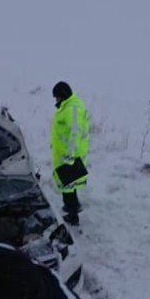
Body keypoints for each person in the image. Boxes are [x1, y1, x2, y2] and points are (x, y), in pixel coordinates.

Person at [50, 81, 90, 227]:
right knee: (69, 187)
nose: (56, 100)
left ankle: (73, 216)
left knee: (68, 188)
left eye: (57, 97)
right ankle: (73, 210)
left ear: (63, 95)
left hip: (69, 157)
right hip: (64, 156)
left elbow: (75, 133)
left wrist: (70, 156)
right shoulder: (67, 107)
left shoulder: (72, 109)